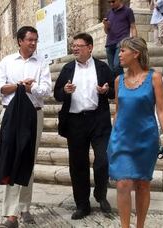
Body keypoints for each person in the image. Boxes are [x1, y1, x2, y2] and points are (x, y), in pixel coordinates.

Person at [106, 37, 163, 228]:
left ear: (135, 53)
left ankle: (140, 226)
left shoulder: (154, 77)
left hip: (146, 139)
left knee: (143, 184)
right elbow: (118, 111)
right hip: (122, 139)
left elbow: (162, 110)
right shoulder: (118, 80)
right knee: (123, 184)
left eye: (122, 51)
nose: (118, 54)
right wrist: (113, 137)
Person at [0, 26, 52, 228]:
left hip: (34, 115)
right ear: (20, 41)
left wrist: (29, 87)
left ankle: (24, 207)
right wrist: (18, 86)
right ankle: (11, 215)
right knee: (11, 159)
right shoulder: (7, 62)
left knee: (28, 161)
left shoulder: (42, 63)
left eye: (36, 40)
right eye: (30, 40)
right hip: (10, 114)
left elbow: (45, 91)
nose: (33, 43)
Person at [54, 33, 114, 220]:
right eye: (73, 46)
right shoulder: (67, 68)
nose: (75, 48)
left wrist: (106, 91)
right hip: (75, 121)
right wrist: (64, 91)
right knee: (78, 164)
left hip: (99, 120)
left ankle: (101, 194)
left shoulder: (102, 67)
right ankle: (82, 204)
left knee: (103, 159)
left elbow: (113, 91)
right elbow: (57, 93)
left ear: (90, 47)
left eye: (79, 45)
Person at [103, 0, 137, 76]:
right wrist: (106, 25)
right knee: (111, 69)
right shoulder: (109, 13)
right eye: (109, 2)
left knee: (117, 65)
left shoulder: (128, 11)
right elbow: (106, 31)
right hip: (109, 43)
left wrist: (135, 42)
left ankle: (124, 83)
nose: (111, 4)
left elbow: (133, 27)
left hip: (121, 42)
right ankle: (117, 86)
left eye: (113, 1)